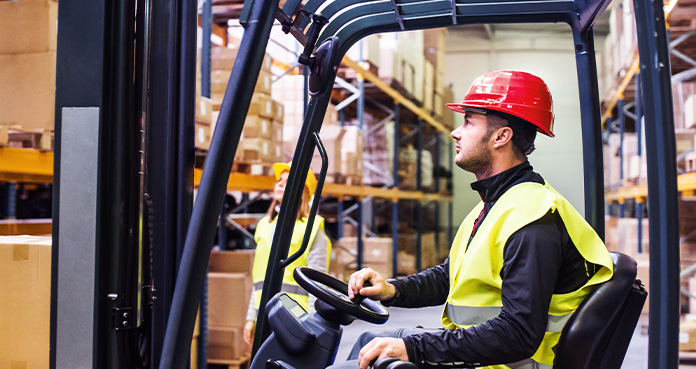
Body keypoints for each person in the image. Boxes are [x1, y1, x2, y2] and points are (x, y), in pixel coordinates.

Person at [330, 70, 614, 369]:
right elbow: (449, 276)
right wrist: (392, 290)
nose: (456, 132)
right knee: (367, 344)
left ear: (501, 137)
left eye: (468, 122)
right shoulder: (496, 205)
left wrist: (414, 347)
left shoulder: (532, 218)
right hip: (478, 355)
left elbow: (518, 335)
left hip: (505, 364)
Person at [243, 162, 332, 345]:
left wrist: (313, 325)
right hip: (265, 313)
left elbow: (317, 283)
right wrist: (251, 317)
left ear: (303, 190)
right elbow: (259, 278)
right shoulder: (264, 227)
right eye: (279, 180)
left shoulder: (312, 229)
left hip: (295, 316)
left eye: (287, 181)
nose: (280, 184)